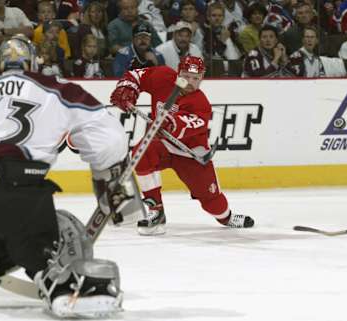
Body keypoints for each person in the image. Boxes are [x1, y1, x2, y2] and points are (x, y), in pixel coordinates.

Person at [0, 34, 139, 318]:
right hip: (21, 194)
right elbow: (108, 140)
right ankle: (71, 287)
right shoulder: (56, 88)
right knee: (64, 230)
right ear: (34, 63)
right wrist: (109, 177)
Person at [109, 56, 255, 236]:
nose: (191, 83)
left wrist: (170, 122)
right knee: (141, 152)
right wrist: (126, 89)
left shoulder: (201, 103)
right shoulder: (162, 76)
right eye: (186, 76)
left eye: (196, 78)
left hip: (190, 153)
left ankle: (227, 217)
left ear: (202, 77)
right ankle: (156, 210)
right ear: (178, 72)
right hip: (161, 144)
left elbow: (191, 123)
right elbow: (135, 76)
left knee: (214, 204)